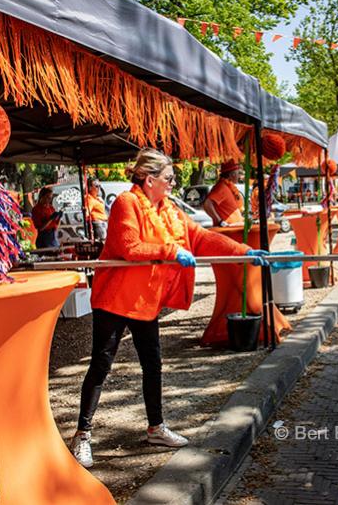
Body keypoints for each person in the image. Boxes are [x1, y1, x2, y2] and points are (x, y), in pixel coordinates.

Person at [69, 149, 269, 468]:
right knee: (101, 365)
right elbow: (129, 246)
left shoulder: (170, 209)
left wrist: (243, 251)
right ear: (149, 180)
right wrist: (171, 251)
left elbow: (201, 238)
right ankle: (82, 435)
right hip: (114, 298)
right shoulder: (126, 202)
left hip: (145, 301)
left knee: (153, 364)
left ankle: (156, 428)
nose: (173, 183)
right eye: (169, 178)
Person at [203, 160, 244, 226]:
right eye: (238, 173)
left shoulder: (227, 187)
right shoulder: (221, 187)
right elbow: (207, 204)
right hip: (227, 230)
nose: (239, 176)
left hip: (234, 228)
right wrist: (220, 221)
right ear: (231, 175)